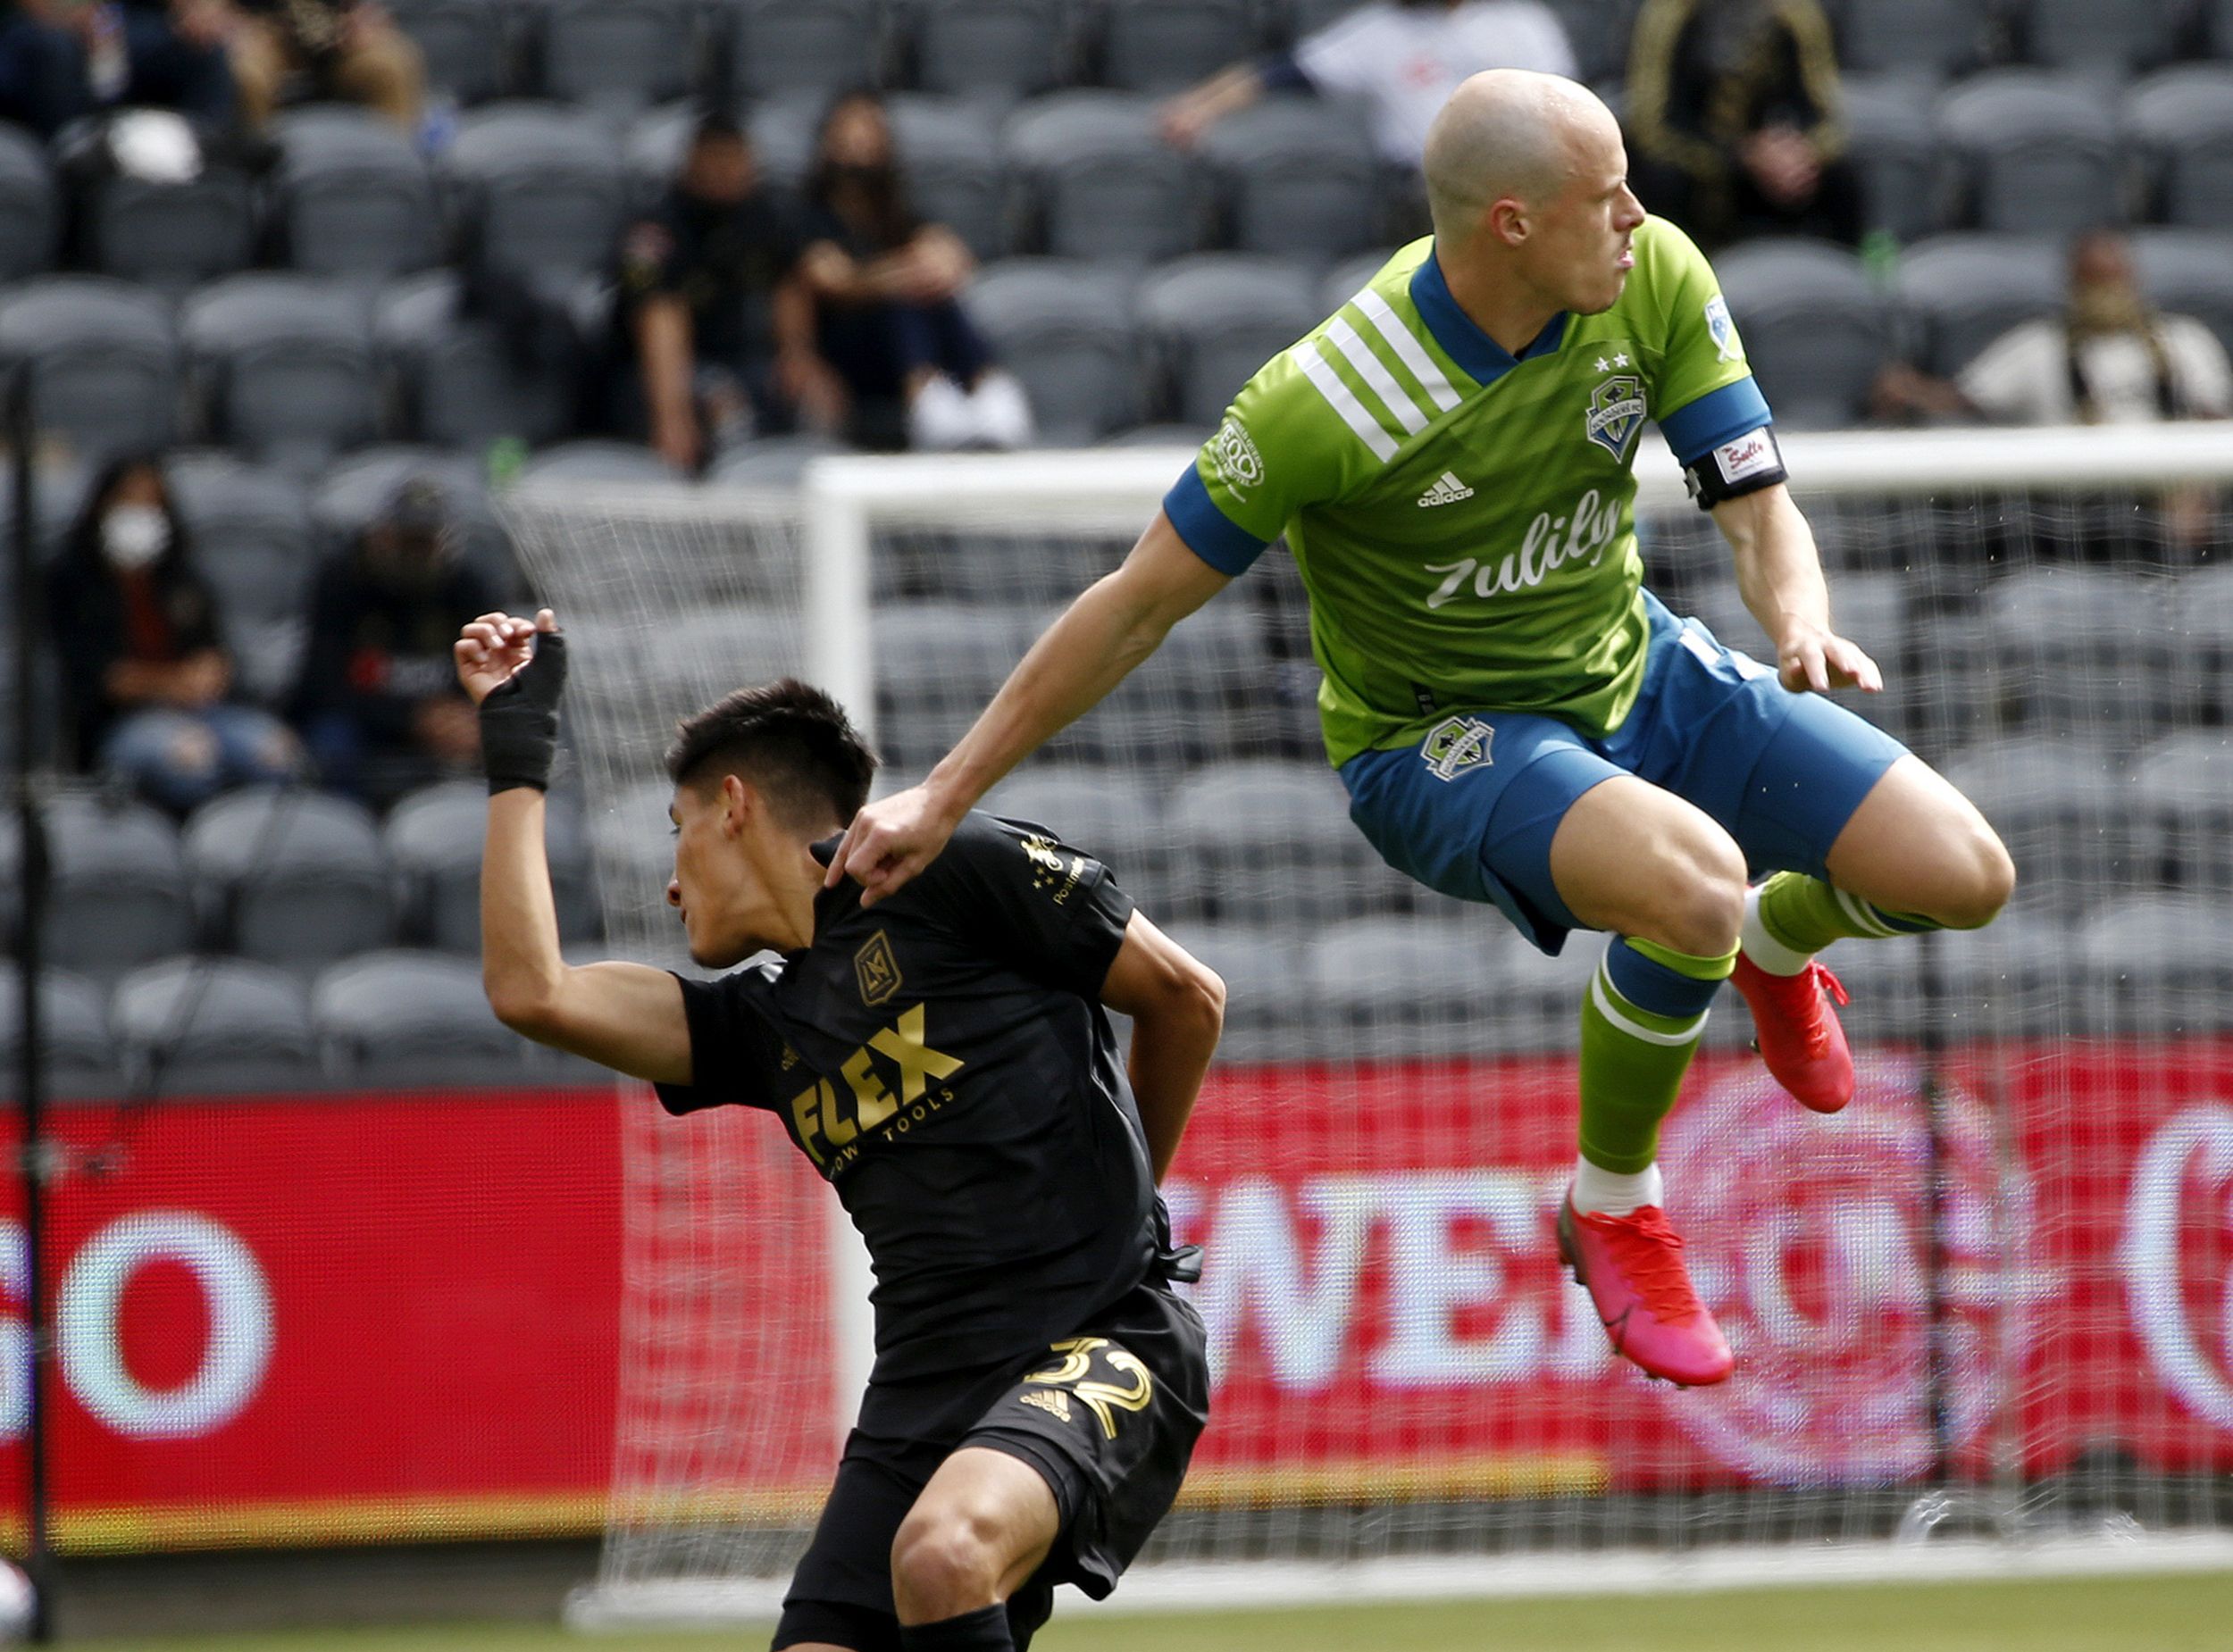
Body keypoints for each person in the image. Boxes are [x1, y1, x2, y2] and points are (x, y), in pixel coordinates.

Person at [824, 70, 2015, 1392]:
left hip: (1647, 672)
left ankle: (1779, 942)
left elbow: (1753, 507)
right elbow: (1132, 606)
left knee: (1963, 873)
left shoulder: (1655, 278)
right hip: (1444, 744)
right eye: (1600, 195)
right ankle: (1614, 1202)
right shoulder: (1328, 397)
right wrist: (940, 794)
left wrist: (1799, 620)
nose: (1636, 213)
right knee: (1692, 883)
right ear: (1510, 223)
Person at [457, 613, 1221, 1652]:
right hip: (926, 1394)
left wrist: (1129, 1224)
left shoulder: (957, 867)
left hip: (1103, 1337)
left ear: (738, 805)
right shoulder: (755, 1027)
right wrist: (515, 745)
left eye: (676, 832)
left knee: (950, 1558)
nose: (670, 882)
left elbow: (1186, 998)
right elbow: (528, 990)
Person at [48, 455, 302, 811]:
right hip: (121, 721)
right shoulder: (74, 582)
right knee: (189, 760)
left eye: (153, 504)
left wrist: (211, 672)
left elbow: (214, 652)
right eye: (130, 503)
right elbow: (100, 676)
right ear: (103, 506)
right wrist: (170, 684)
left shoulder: (180, 577)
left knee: (276, 752)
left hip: (203, 711)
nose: (141, 514)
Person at [796, 91, 1032, 452]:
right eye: (851, 129)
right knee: (902, 301)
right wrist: (900, 274)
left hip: (905, 336)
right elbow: (835, 281)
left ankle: (991, 395)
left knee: (936, 298)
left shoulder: (896, 211)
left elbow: (953, 258)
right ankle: (929, 405)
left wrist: (927, 268)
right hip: (846, 347)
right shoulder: (810, 216)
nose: (860, 139)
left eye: (869, 129)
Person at [620, 113, 830, 474]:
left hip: (739, 356)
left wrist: (798, 354)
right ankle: (735, 506)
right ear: (692, 162)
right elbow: (659, 313)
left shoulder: (761, 216)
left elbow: (788, 281)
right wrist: (672, 413)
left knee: (815, 397)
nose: (726, 170)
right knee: (726, 405)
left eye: (735, 159)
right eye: (715, 159)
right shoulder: (658, 228)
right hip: (652, 370)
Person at [1159, 0, 1575, 174]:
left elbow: (1563, 104)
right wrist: (1198, 107)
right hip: (1423, 181)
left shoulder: (1522, 21)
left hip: (1520, 170)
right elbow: (1279, 74)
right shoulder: (1379, 30)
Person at [1873, 230, 2233, 429]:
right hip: (2077, 511)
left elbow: (2215, 417)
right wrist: (1910, 388)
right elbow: (1964, 399)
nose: (2106, 297)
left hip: (2172, 504)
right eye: (2094, 284)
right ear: (2072, 287)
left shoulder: (2185, 341)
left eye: (2115, 282)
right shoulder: (2036, 348)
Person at [297, 479, 498, 802]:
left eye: (425, 543)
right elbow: (321, 685)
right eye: (407, 541)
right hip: (363, 719)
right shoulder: (342, 581)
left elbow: (491, 674)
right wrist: (411, 718)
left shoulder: (467, 588)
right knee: (331, 741)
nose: (415, 555)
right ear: (382, 535)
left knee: (501, 739)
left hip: (443, 721)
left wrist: (463, 715)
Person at [1623, 0, 1858, 252]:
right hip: (1698, 161)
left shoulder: (1795, 13)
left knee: (1844, 176)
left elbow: (1828, 119)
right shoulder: (1670, 14)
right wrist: (1742, 157)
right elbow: (1651, 127)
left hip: (1774, 165)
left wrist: (1798, 156)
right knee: (1662, 177)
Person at [0, 0, 237, 138]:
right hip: (39, 30)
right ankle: (68, 162)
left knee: (204, 49)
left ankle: (205, 167)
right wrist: (68, 14)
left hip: (125, 25)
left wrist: (199, 11)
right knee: (53, 51)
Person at [223, 0, 422, 132]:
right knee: (246, 74)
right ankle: (257, 167)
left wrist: (366, 15)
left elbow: (370, 12)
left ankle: (392, 172)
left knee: (390, 64)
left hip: (341, 29)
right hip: (268, 30)